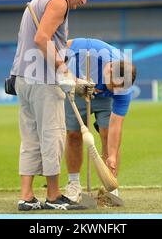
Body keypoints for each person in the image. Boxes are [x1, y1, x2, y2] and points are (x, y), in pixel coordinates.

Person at [10, 0, 97, 211]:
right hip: (43, 81)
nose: (84, 0)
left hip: (23, 78)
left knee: (30, 139)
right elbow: (41, 39)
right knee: (53, 135)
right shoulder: (59, 1)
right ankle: (53, 195)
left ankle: (26, 197)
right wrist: (62, 69)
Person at [63, 38, 137, 202]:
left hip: (104, 100)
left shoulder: (122, 87)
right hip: (77, 89)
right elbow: (62, 45)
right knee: (74, 134)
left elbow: (116, 125)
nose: (116, 92)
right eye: (113, 87)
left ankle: (110, 186)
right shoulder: (90, 49)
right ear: (109, 69)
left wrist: (112, 156)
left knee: (107, 132)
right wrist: (71, 77)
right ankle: (74, 184)